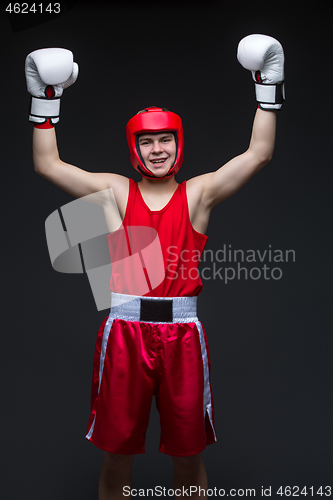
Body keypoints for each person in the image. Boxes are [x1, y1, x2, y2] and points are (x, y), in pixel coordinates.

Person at [26, 35, 285, 500]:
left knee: (188, 455)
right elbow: (48, 164)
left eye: (165, 139)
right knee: (116, 454)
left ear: (178, 143)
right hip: (124, 332)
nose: (158, 149)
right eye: (148, 142)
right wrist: (46, 100)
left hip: (183, 336)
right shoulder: (116, 193)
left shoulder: (200, 194)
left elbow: (258, 155)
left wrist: (267, 87)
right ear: (135, 148)